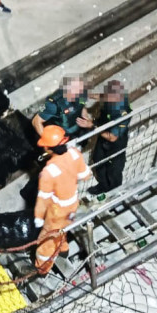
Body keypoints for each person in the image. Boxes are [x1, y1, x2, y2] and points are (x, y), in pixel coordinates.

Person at [33, 125, 91, 274]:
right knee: (63, 228)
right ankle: (63, 249)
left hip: (56, 211)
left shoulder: (48, 172)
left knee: (47, 240)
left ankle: (42, 267)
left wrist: (38, 217)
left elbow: (43, 199)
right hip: (72, 204)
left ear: (48, 148)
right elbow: (85, 174)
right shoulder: (74, 153)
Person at [88, 80, 132, 195]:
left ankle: (115, 192)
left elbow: (112, 137)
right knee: (97, 159)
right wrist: (87, 95)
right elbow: (102, 97)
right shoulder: (110, 97)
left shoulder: (122, 112)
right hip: (103, 132)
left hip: (115, 141)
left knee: (114, 169)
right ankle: (103, 185)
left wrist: (93, 126)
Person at [32, 75, 94, 139]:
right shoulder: (53, 104)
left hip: (76, 128)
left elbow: (81, 106)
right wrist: (50, 141)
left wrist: (87, 119)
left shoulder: (82, 94)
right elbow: (36, 121)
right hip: (60, 135)